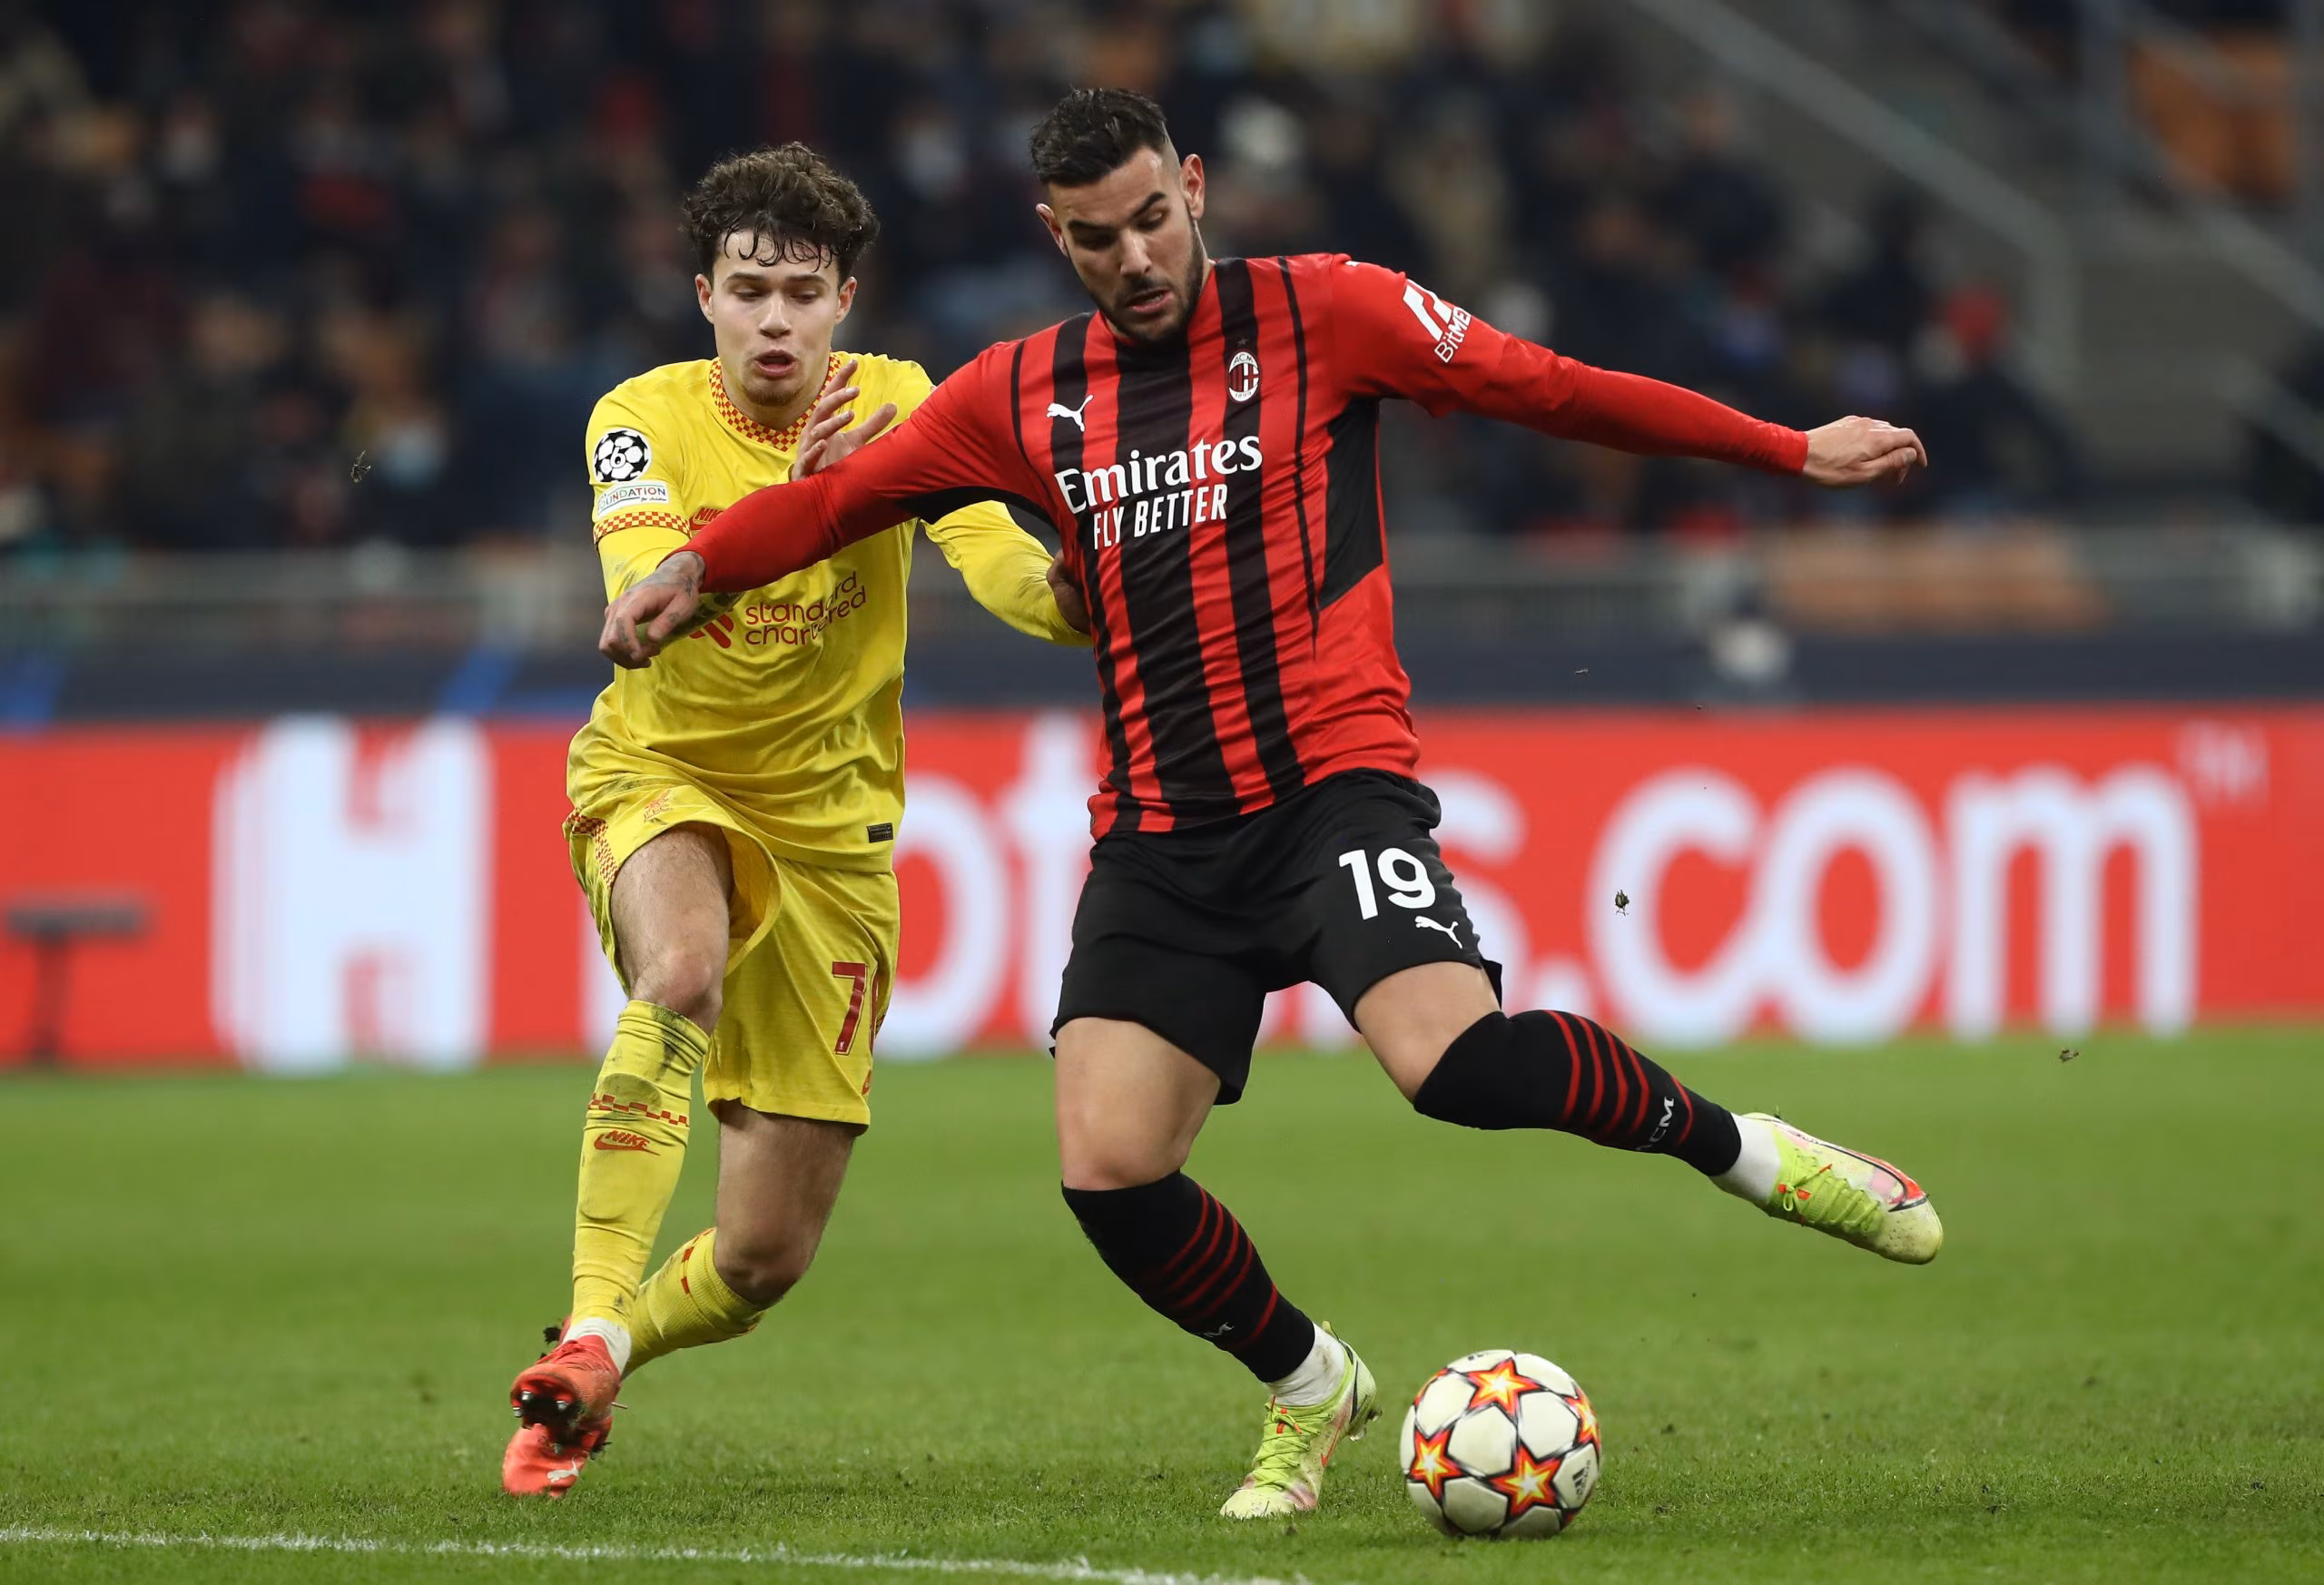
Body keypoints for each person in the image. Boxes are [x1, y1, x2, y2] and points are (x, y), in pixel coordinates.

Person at [598, 90, 1941, 1521]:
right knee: (1110, 1169)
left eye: (1152, 219)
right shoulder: (1017, 390)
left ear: (1193, 187)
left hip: (1330, 793)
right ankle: (1310, 1384)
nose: (1135, 258)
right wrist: (696, 567)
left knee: (1455, 1065)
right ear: (1055, 237)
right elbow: (834, 504)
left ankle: (1748, 1151)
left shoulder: (1331, 310)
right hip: (1163, 835)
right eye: (1097, 238)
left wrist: (1788, 449)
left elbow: (1550, 387)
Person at [501, 143, 1088, 1499]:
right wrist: (815, 505)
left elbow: (1002, 566)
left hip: (833, 838)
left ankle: (605, 1361)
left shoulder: (903, 405)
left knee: (763, 1257)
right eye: (751, 291)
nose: (777, 321)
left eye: (804, 294)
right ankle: (589, 1312)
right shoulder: (636, 417)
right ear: (704, 295)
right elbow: (646, 595)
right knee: (681, 969)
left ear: (845, 302)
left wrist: (1084, 596)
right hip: (664, 774)